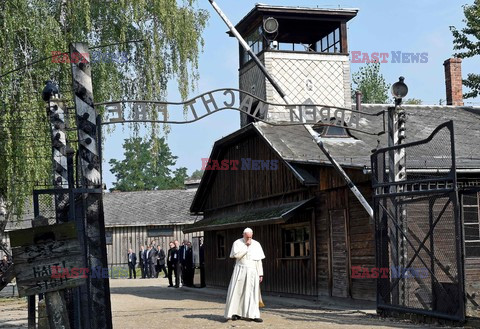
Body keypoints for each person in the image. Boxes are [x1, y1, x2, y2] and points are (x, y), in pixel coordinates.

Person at [224, 228, 265, 323]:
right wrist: (246, 247)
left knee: (252, 293)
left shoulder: (257, 244)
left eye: (250, 237)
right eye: (247, 237)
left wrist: (260, 273)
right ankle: (236, 313)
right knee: (238, 292)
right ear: (243, 235)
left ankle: (253, 315)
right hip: (240, 270)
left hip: (253, 271)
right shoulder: (237, 243)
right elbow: (236, 255)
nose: (249, 239)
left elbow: (259, 260)